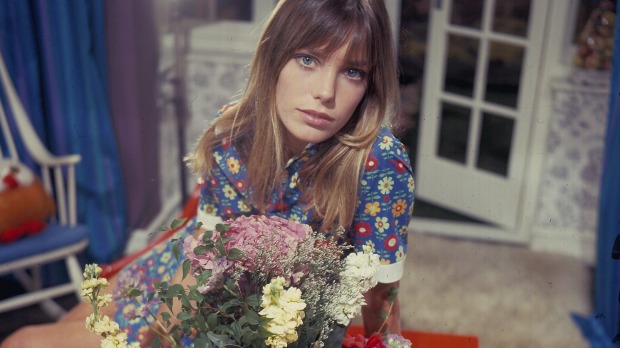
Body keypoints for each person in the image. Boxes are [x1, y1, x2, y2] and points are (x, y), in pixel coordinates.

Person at [0, 0, 414, 347]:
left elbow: (382, 296)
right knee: (48, 331)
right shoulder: (232, 135)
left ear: (369, 86)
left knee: (23, 342)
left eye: (352, 72)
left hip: (238, 319)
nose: (326, 92)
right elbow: (201, 257)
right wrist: (159, 330)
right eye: (308, 59)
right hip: (183, 277)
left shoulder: (378, 162)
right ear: (273, 55)